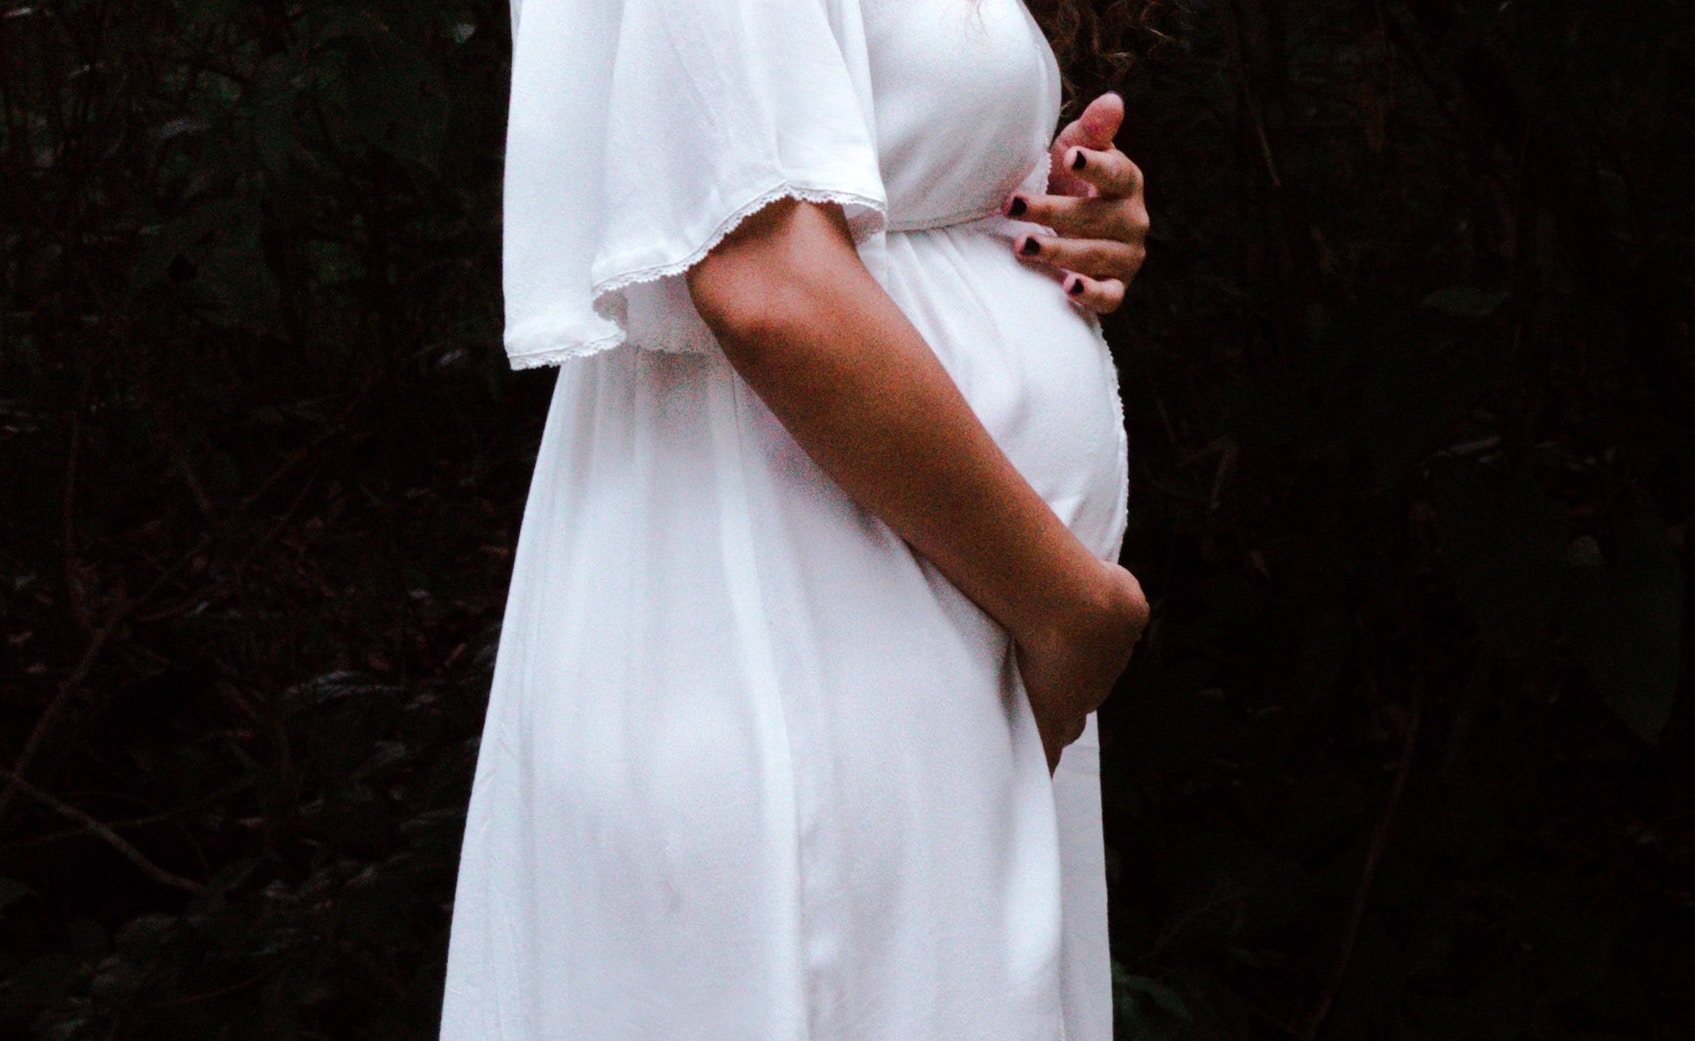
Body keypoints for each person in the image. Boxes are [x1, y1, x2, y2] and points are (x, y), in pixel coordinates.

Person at [440, 0, 1152, 1038]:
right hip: (796, 621)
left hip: (916, 623)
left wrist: (1052, 211)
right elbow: (762, 274)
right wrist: (1066, 610)